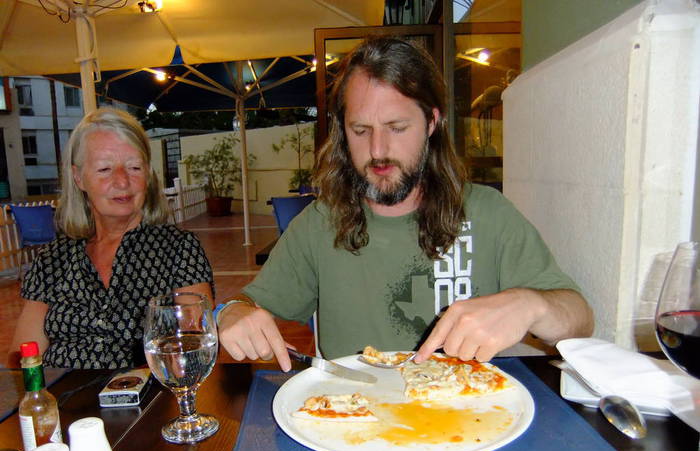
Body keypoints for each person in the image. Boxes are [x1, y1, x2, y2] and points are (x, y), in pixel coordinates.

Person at [217, 36, 593, 372]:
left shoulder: (488, 212)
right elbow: (248, 304)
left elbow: (580, 321)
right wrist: (232, 314)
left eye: (397, 128)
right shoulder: (321, 222)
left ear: (432, 122)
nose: (378, 151)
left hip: (465, 419)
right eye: (360, 131)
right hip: (352, 418)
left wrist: (529, 304)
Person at [11, 108, 214, 369]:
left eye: (134, 167)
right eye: (105, 168)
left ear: (147, 176)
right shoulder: (51, 260)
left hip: (147, 402)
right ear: (78, 177)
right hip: (64, 404)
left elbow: (194, 348)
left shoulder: (179, 249)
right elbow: (23, 356)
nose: (122, 181)